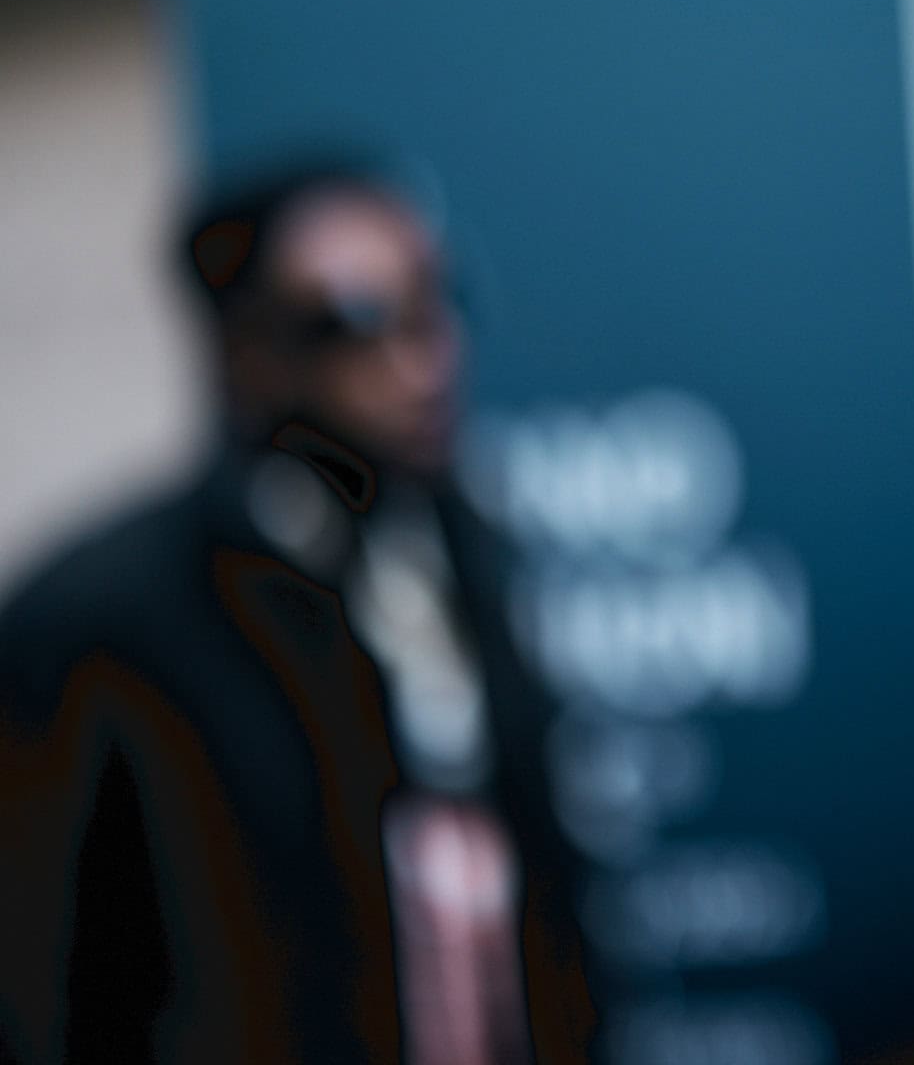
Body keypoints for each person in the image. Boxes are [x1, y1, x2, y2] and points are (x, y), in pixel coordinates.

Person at [0, 163, 591, 1064]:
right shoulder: (101, 620)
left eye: (436, 302)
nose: (424, 359)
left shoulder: (471, 552)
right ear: (251, 354)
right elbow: (46, 979)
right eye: (357, 322)